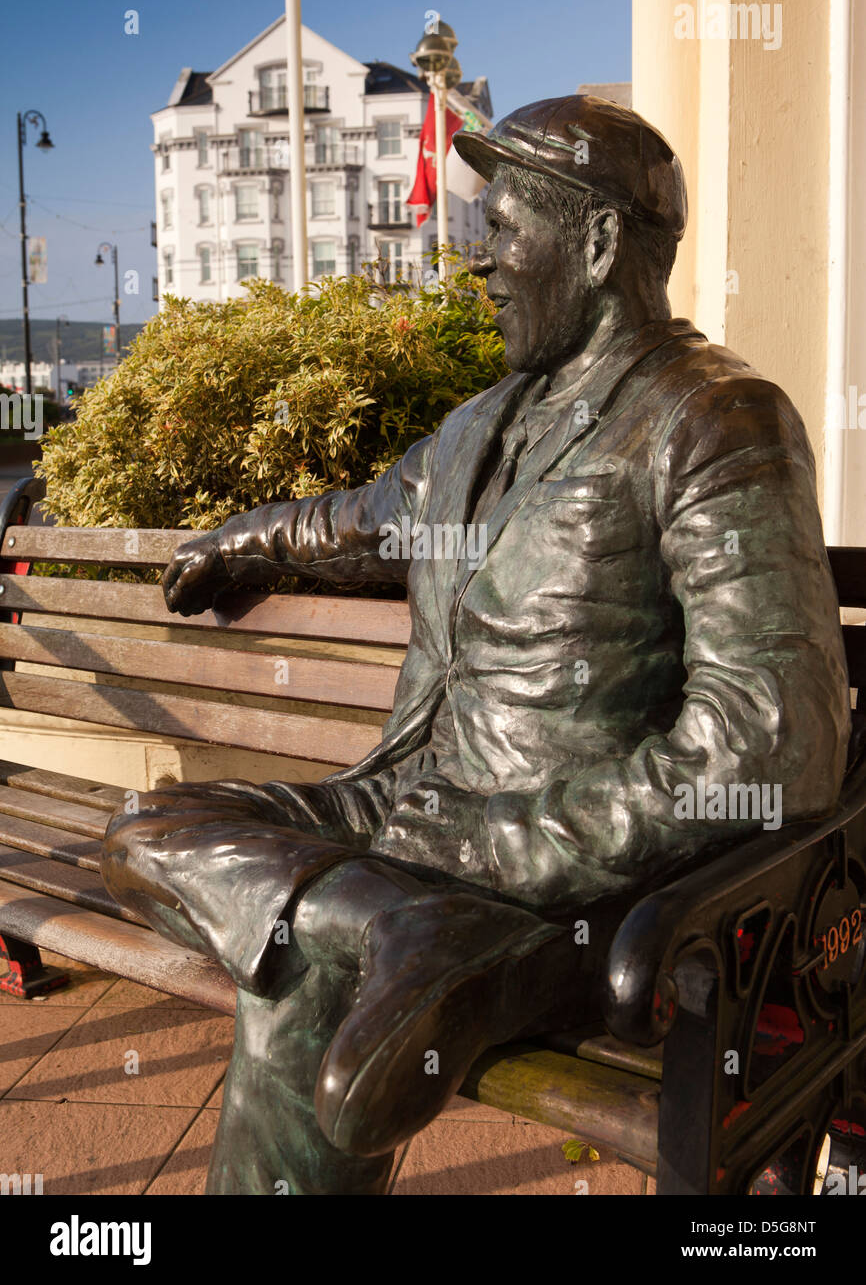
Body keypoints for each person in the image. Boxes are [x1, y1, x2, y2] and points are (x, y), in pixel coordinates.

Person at [102, 95, 850, 1195]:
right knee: (143, 828)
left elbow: (769, 740)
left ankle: (441, 933)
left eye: (505, 230)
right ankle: (401, 923)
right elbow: (364, 518)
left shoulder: (713, 419)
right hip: (405, 810)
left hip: (561, 879)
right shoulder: (480, 422)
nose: (478, 263)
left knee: (295, 973)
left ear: (596, 243)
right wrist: (243, 539)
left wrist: (504, 845)